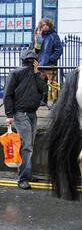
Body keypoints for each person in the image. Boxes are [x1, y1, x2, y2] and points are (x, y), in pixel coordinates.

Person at [3, 50, 47, 190]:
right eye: (29, 60)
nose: (31, 62)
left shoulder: (36, 74)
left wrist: (36, 73)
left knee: (29, 145)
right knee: (26, 146)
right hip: (20, 114)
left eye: (33, 60)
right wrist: (9, 115)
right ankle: (22, 178)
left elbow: (44, 90)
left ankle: (27, 174)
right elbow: (8, 95)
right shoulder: (15, 73)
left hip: (32, 113)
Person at [34, 18, 63, 104]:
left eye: (47, 25)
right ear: (41, 26)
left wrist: (51, 59)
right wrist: (37, 38)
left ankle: (56, 102)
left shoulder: (54, 36)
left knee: (53, 84)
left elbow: (59, 50)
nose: (45, 27)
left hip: (50, 65)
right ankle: (43, 100)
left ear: (50, 25)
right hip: (41, 64)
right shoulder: (40, 36)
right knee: (41, 84)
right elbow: (37, 50)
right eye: (43, 25)